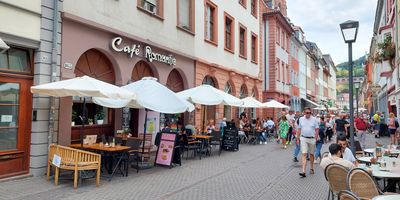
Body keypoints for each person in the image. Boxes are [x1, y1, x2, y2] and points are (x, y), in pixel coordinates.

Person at [297, 107, 319, 177]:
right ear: (304, 113)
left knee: (311, 154)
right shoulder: (301, 119)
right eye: (307, 113)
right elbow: (299, 129)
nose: (308, 114)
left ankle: (312, 167)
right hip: (303, 138)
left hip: (312, 139)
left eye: (310, 113)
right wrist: (297, 139)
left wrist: (315, 138)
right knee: (304, 154)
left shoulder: (314, 119)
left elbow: (317, 129)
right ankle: (303, 171)